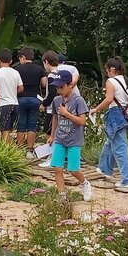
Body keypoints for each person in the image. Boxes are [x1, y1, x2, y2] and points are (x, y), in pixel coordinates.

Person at [90, 57, 128, 189]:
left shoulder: (111, 81)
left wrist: (96, 109)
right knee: (110, 141)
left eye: (107, 71)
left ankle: (127, 180)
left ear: (112, 70)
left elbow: (109, 99)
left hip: (115, 114)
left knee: (120, 147)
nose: (107, 74)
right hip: (127, 115)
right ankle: (104, 168)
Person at [47, 70, 92, 202]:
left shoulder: (78, 100)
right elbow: (55, 118)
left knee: (73, 169)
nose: (59, 90)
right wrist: (52, 135)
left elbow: (82, 121)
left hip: (74, 140)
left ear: (70, 85)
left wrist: (67, 114)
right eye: (57, 87)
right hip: (60, 138)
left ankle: (85, 183)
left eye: (62, 87)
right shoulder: (56, 100)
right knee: (57, 168)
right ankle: (62, 195)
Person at [39, 50, 80, 167]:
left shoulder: (52, 75)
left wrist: (44, 103)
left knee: (50, 130)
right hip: (68, 104)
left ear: (46, 62)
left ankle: (51, 157)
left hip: (56, 107)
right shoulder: (64, 70)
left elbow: (52, 93)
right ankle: (59, 157)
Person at [15, 48, 45, 158]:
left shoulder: (18, 69)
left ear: (23, 57)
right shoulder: (39, 69)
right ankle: (29, 150)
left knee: (21, 125)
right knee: (32, 125)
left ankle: (19, 150)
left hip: (21, 98)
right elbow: (44, 83)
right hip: (34, 98)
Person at [0, 49, 23, 142]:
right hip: (15, 104)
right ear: (11, 61)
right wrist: (13, 92)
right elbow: (21, 88)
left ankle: (5, 150)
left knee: (4, 129)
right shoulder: (15, 72)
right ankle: (9, 148)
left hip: (3, 104)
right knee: (10, 129)